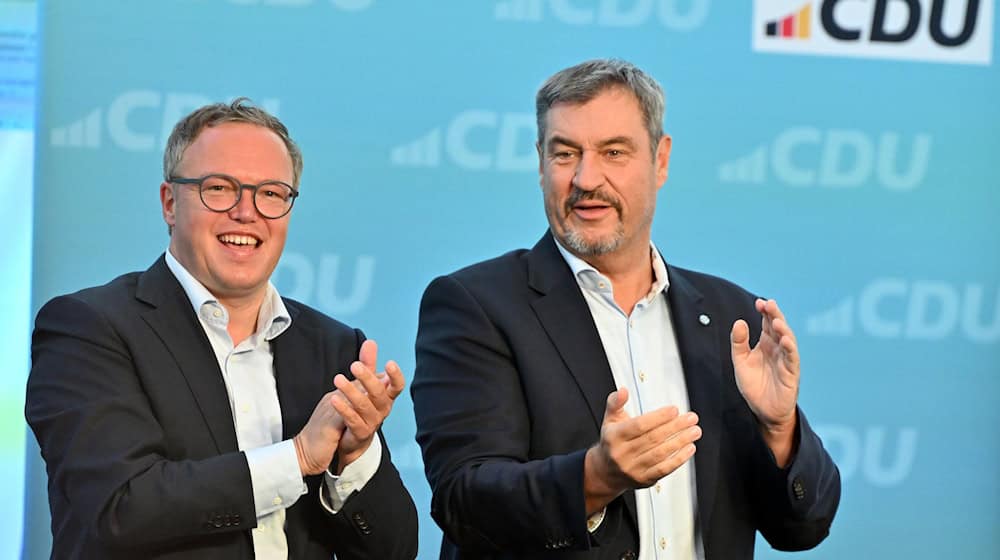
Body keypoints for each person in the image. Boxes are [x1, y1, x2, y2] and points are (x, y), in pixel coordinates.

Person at [411, 59, 840, 560]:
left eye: (614, 152)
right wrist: (595, 478)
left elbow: (804, 528)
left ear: (661, 160)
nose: (586, 178)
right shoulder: (476, 306)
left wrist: (779, 428)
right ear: (540, 161)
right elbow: (464, 501)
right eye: (565, 153)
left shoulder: (733, 319)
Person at [26, 99, 418, 559]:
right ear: (170, 203)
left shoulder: (333, 347)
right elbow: (118, 508)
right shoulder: (90, 329)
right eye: (219, 188)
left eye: (271, 193)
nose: (246, 213)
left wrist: (353, 458)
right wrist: (297, 459)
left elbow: (395, 550)